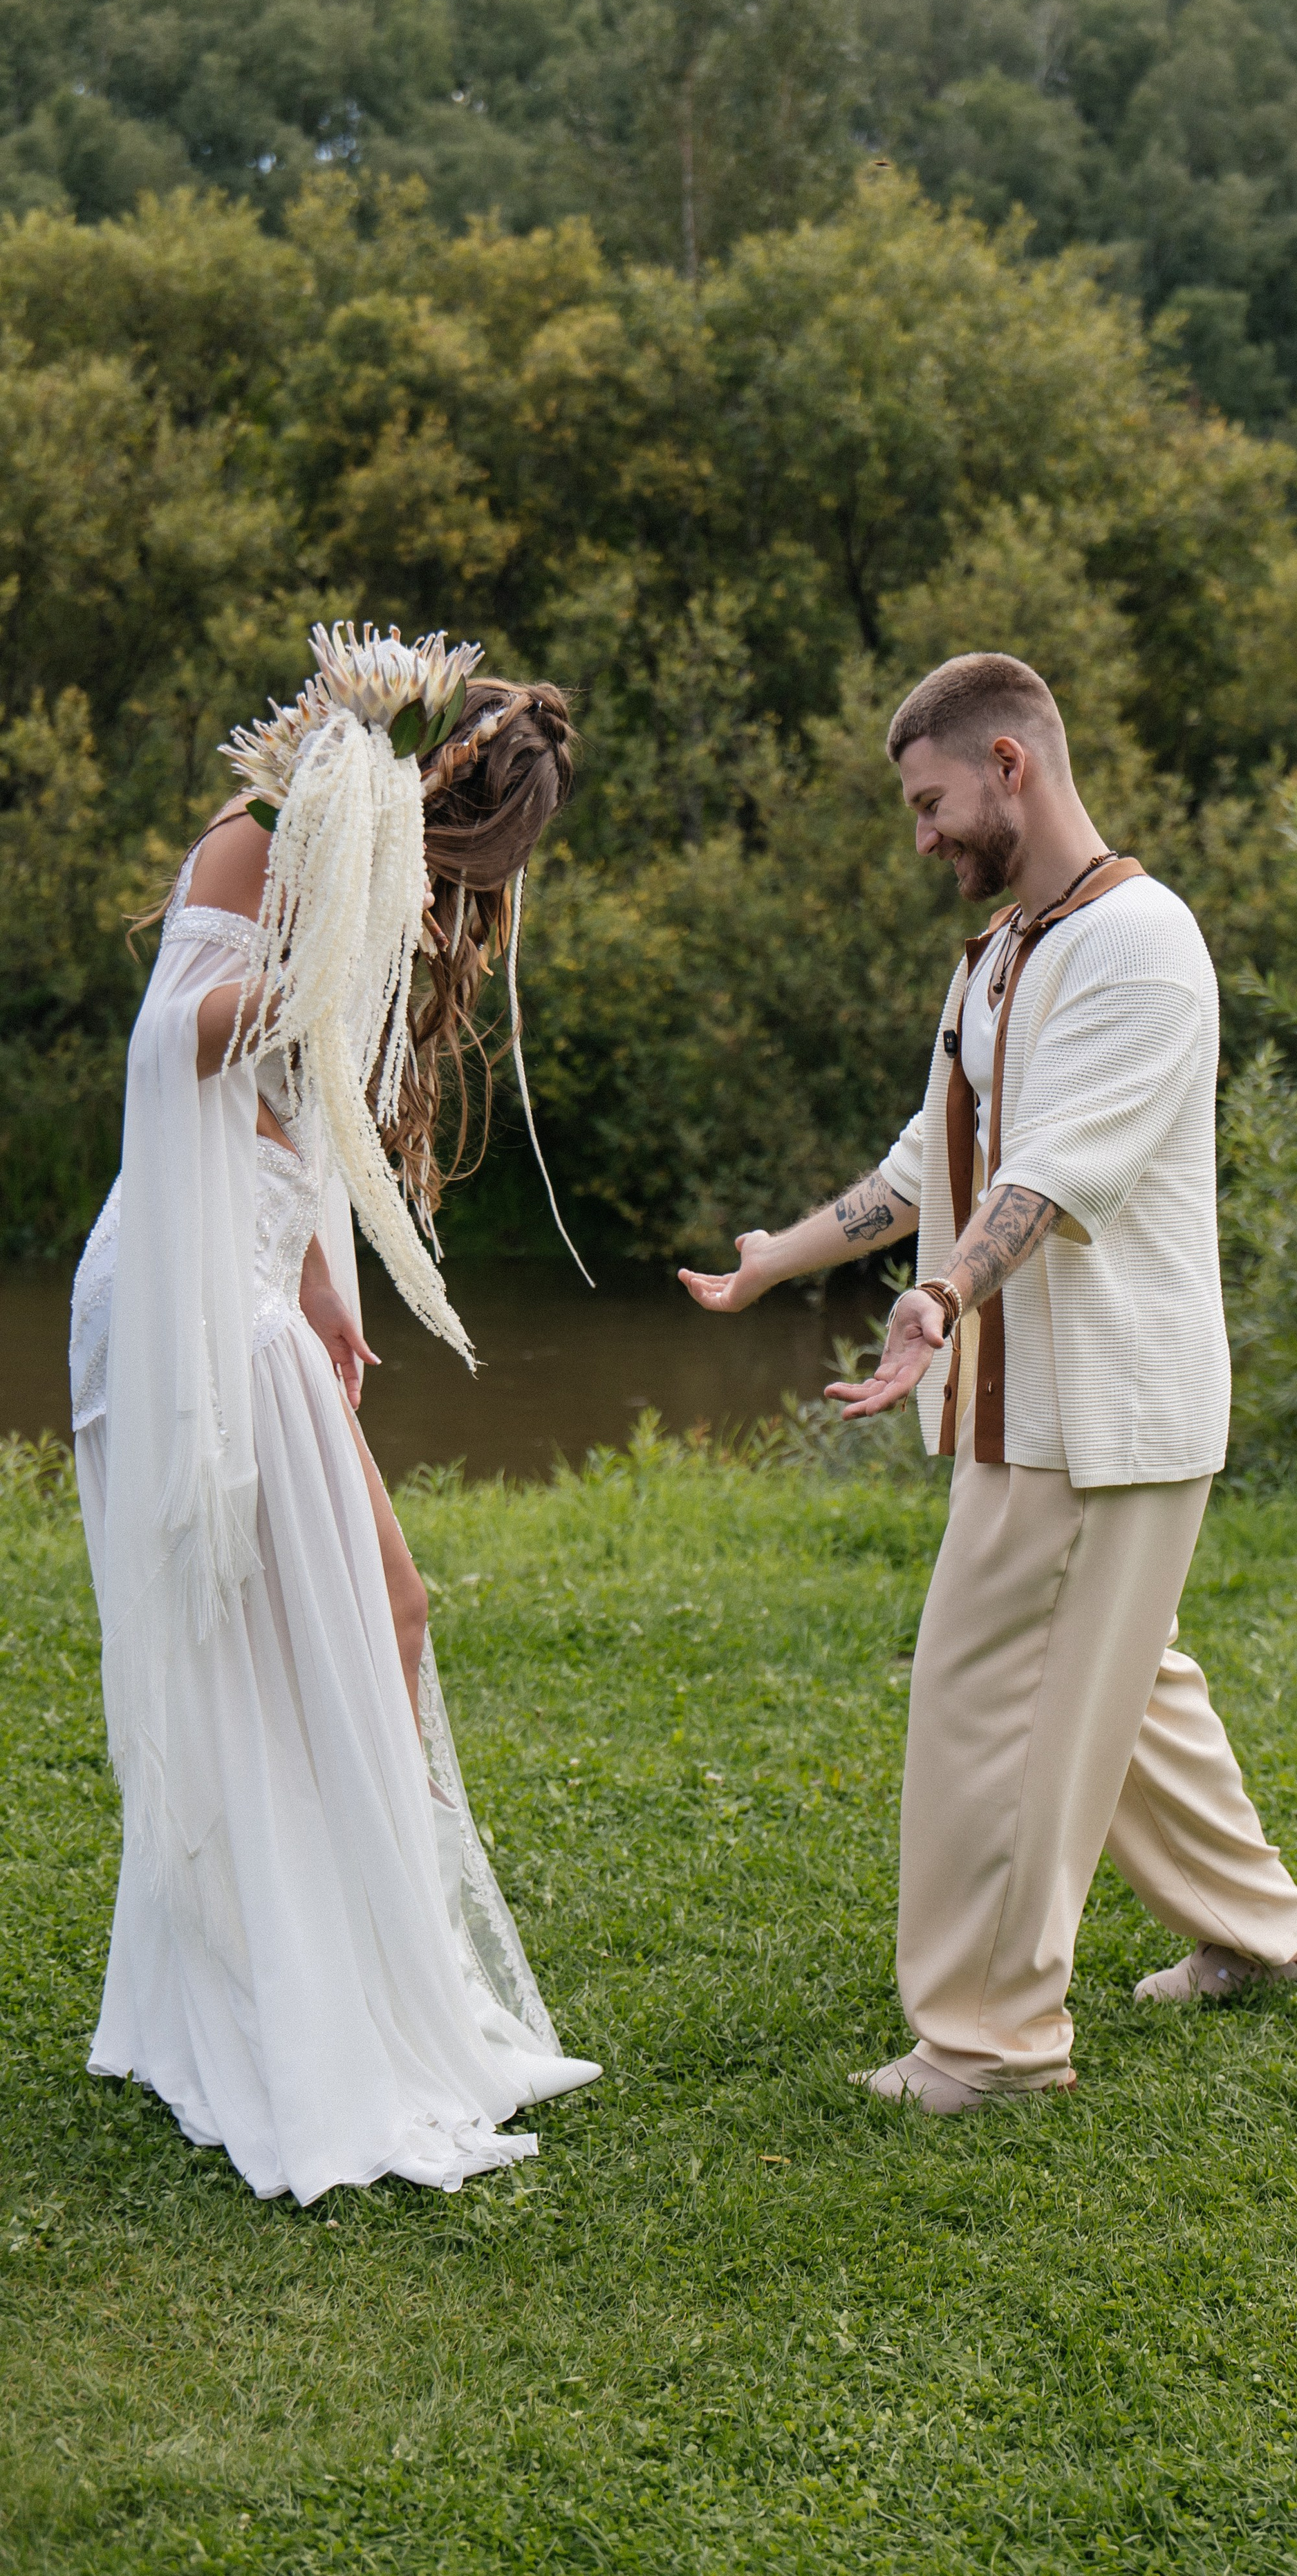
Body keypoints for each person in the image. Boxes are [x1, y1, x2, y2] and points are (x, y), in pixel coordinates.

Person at [680, 650, 1297, 2112]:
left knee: (996, 1697)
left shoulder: (1138, 943)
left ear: (1009, 765)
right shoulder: (1001, 952)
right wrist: (774, 1260)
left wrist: (939, 1295)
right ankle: (1260, 1933)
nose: (920, 836)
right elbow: (938, 1161)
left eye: (928, 801)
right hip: (1029, 1405)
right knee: (1121, 1684)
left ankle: (991, 2043)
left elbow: (1049, 1173)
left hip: (1097, 1415)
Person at [68, 624, 600, 2201]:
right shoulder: (261, 841)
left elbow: (308, 1116)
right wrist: (326, 948)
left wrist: (326, 1290)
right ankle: (292, 2006)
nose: (462, 897)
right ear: (416, 792)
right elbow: (179, 1046)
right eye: (458, 857)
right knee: (333, 1622)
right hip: (180, 1297)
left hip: (260, 1284)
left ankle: (336, 1976)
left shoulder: (384, 880)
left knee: (376, 1620)